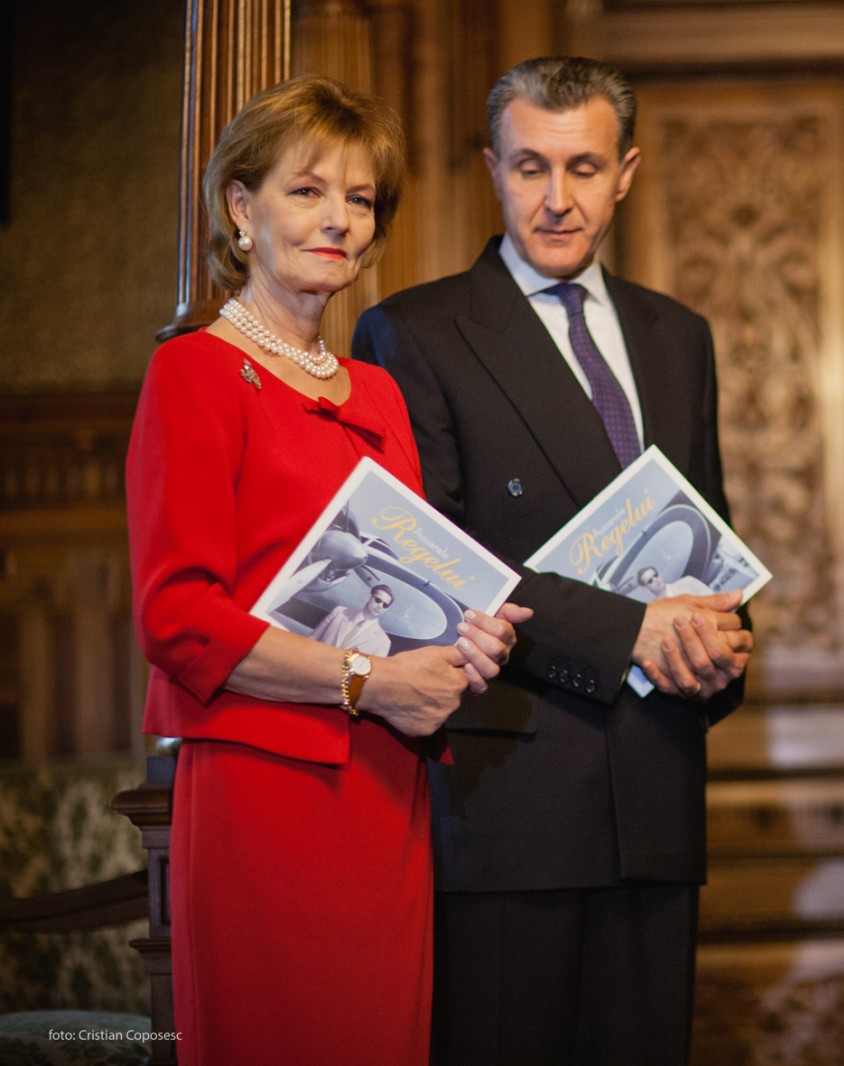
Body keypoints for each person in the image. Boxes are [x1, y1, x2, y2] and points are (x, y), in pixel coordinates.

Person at [352, 56, 753, 1066]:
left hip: (656, 788)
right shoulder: (414, 331)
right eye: (531, 167)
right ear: (493, 169)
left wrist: (722, 644)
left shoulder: (679, 337)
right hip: (508, 803)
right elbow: (436, 562)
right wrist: (634, 633)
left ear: (626, 173)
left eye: (583, 168)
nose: (557, 199)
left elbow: (708, 542)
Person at [126, 75, 529, 1066]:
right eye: (307, 191)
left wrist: (467, 637)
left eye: (360, 198)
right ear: (241, 206)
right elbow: (177, 617)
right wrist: (366, 680)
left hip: (387, 795)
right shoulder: (193, 371)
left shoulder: (380, 393)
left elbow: (408, 588)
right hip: (263, 788)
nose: (339, 219)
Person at [308, 582, 395, 655]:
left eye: (385, 605)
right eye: (378, 600)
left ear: (386, 609)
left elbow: (371, 669)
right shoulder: (339, 613)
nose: (380, 606)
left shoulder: (383, 642)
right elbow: (311, 640)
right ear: (369, 597)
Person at [637, 564, 713, 600]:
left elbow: (714, 599)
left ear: (660, 574)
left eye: (655, 575)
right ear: (646, 588)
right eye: (650, 581)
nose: (655, 580)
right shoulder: (656, 611)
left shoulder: (688, 582)